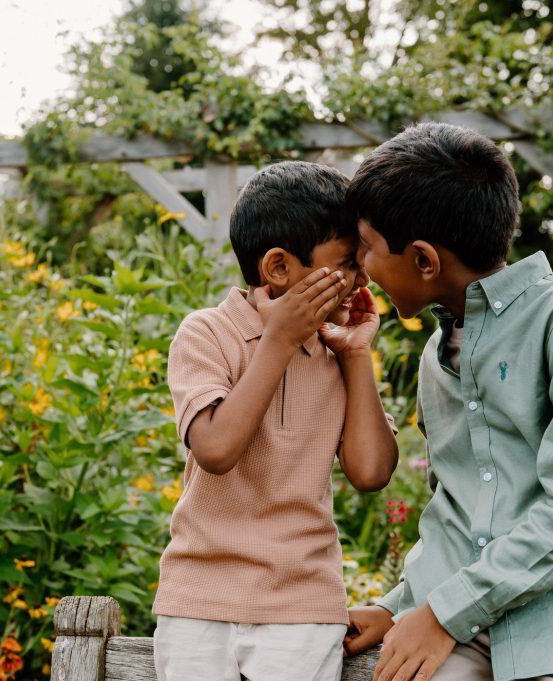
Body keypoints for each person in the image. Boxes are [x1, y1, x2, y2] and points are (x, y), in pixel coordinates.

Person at [342, 123, 553, 681]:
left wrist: (443, 612)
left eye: (365, 246)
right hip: (460, 627)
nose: (358, 263)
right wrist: (399, 607)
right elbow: (461, 511)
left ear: (424, 260)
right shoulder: (438, 352)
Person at [153, 160, 400, 681]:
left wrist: (357, 358)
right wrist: (280, 342)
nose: (363, 279)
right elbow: (216, 450)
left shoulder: (337, 353)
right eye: (348, 264)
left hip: (303, 604)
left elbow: (371, 473)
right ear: (279, 269)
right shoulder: (206, 334)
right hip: (199, 598)